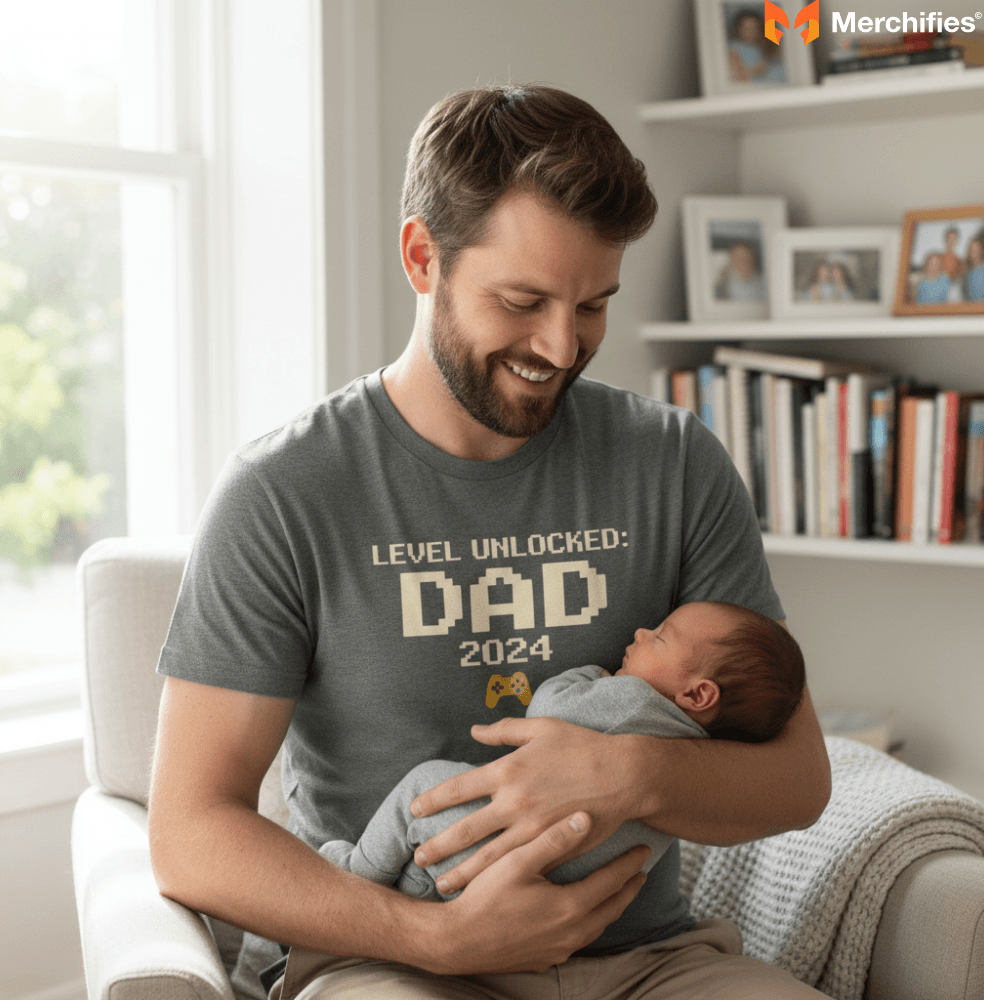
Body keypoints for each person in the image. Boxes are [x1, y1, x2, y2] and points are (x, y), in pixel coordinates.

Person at [148, 83, 831, 1000]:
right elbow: (188, 832)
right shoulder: (283, 493)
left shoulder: (673, 463)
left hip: (645, 966)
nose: (561, 345)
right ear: (423, 256)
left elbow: (797, 781)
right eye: (523, 300)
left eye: (593, 305)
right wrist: (434, 938)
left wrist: (625, 769)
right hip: (388, 958)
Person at [312, 601, 804, 905]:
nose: (638, 634)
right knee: (435, 862)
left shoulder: (632, 703)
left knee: (425, 787)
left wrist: (592, 675)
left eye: (658, 637)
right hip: (548, 886)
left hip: (496, 845)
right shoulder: (701, 765)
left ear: (698, 696)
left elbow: (546, 709)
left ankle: (360, 875)